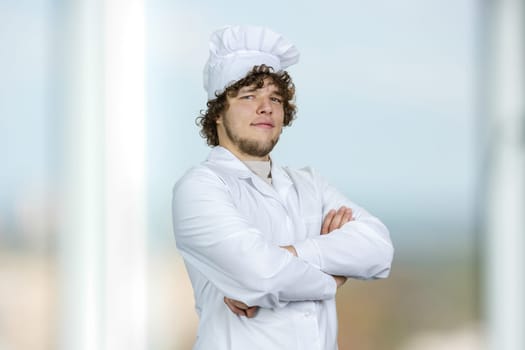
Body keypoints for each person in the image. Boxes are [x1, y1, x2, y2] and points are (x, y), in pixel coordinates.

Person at [172, 25, 394, 350]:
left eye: (274, 98)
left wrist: (294, 254)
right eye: (249, 96)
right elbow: (260, 275)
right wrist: (334, 276)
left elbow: (378, 250)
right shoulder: (199, 188)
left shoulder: (310, 183)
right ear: (218, 112)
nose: (266, 107)